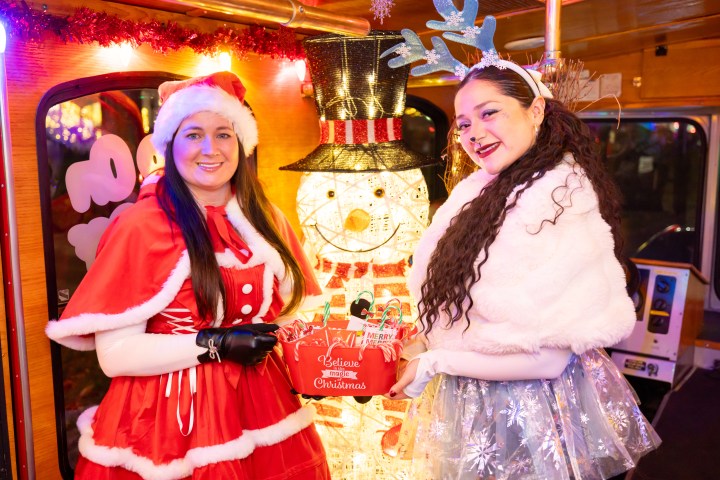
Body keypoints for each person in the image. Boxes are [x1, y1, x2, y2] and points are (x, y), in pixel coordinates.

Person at [46, 71, 331, 480]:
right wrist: (215, 344)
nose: (210, 149)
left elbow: (289, 315)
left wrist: (320, 369)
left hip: (264, 401)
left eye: (223, 134)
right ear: (170, 145)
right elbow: (114, 356)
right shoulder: (141, 226)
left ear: (241, 143)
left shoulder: (266, 218)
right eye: (193, 134)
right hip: (167, 418)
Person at [384, 63, 661, 479]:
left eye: (489, 112)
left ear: (535, 111)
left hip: (531, 408)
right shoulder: (478, 193)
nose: (473, 131)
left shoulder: (560, 200)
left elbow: (548, 361)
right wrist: (427, 340)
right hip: (470, 400)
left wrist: (436, 363)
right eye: (462, 123)